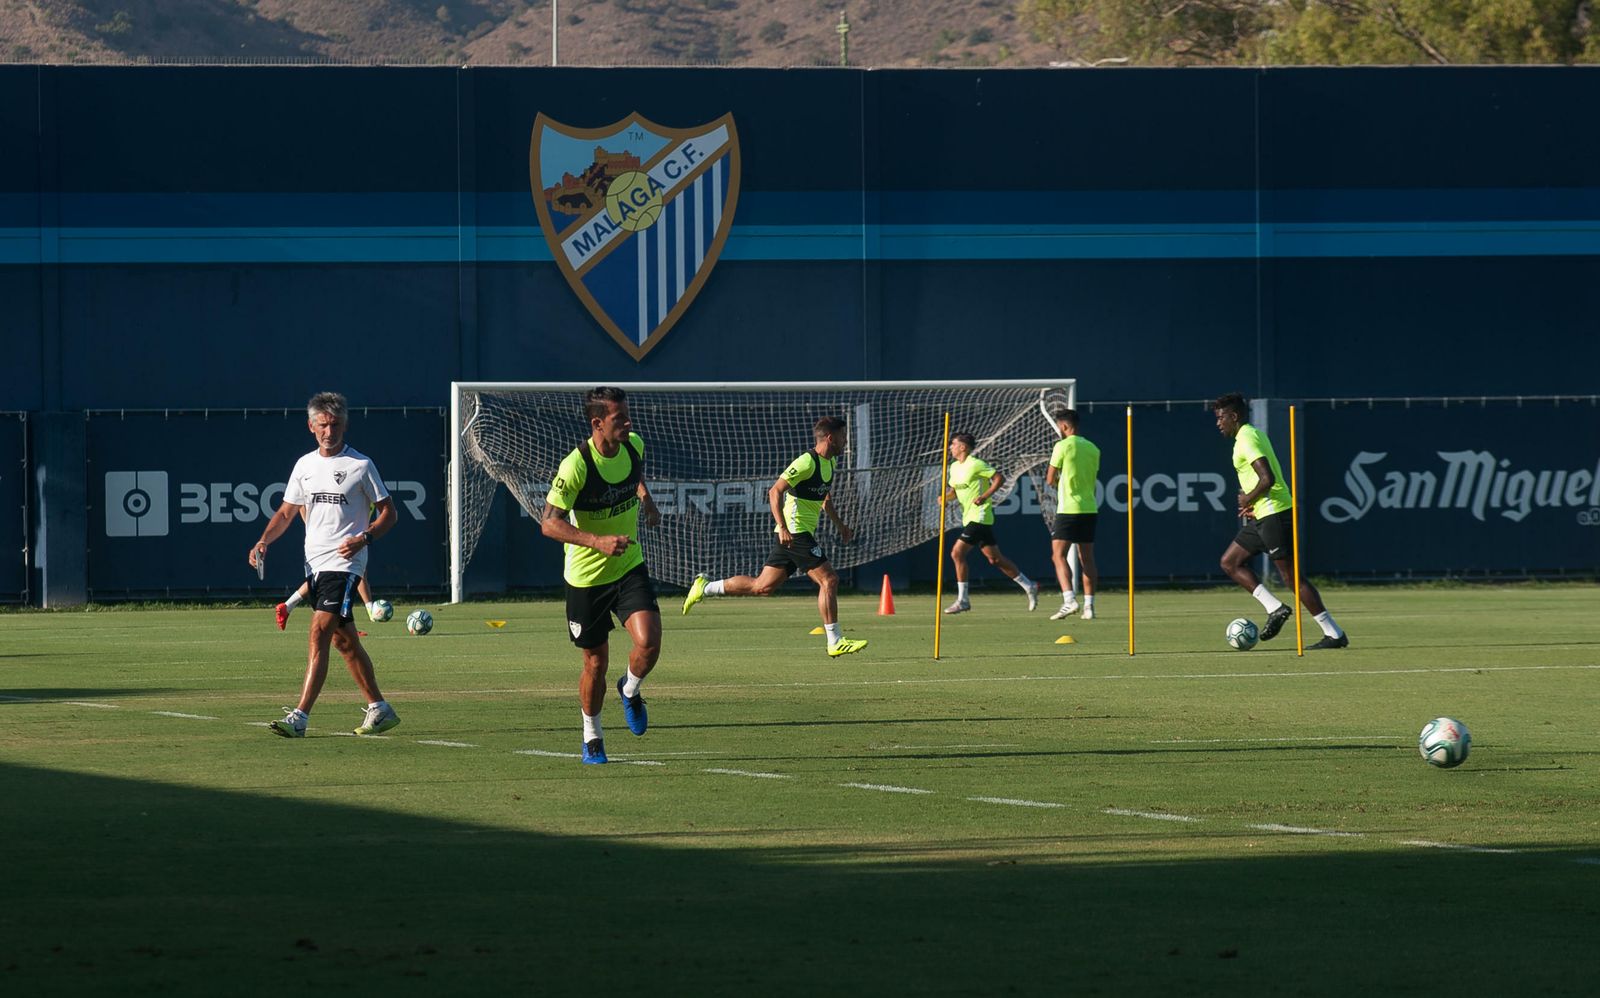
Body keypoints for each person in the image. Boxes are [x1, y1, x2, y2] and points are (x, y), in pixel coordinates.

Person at [248, 392, 400, 737]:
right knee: (344, 642)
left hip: (345, 564)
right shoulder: (304, 466)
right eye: (322, 425)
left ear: (344, 425)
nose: (328, 431)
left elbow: (390, 512)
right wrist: (263, 541)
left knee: (318, 632)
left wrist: (364, 538)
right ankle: (380, 708)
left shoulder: (360, 465)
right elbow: (287, 512)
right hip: (315, 564)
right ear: (311, 426)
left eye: (334, 425)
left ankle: (299, 718)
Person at [541, 386, 663, 765]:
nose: (628, 423)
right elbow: (549, 524)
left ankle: (630, 688)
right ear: (597, 423)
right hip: (586, 579)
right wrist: (597, 541)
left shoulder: (634, 445)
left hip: (628, 566)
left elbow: (634, 476)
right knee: (595, 663)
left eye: (627, 416)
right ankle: (591, 735)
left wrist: (646, 500)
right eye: (619, 419)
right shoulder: (575, 466)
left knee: (649, 644)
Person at [681, 416, 868, 658]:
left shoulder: (829, 463)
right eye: (843, 437)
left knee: (762, 586)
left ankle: (705, 587)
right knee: (829, 580)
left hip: (797, 533)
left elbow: (824, 497)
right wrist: (782, 526)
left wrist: (840, 525)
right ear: (830, 438)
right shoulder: (806, 462)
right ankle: (835, 640)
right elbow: (775, 491)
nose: (845, 441)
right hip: (794, 531)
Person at [1211, 392, 1348, 649]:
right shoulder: (1247, 436)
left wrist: (1246, 498)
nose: (1218, 423)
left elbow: (1267, 478)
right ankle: (1275, 608)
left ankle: (1334, 633)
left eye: (1221, 418)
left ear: (1234, 416)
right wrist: (1253, 504)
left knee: (1291, 577)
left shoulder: (1247, 438)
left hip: (1275, 513)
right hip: (1263, 513)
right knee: (1230, 562)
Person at [939, 432, 1038, 614]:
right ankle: (1029, 585)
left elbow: (999, 478)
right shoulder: (953, 467)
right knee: (995, 559)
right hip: (968, 517)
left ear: (963, 447)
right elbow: (953, 491)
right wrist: (946, 498)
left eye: (953, 444)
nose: (950, 447)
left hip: (981, 515)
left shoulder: (976, 464)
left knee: (956, 553)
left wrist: (984, 496)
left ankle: (963, 600)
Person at [276, 505, 381, 628]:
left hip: (348, 536)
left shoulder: (367, 492)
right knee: (343, 576)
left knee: (330, 578)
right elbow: (301, 502)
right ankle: (348, 624)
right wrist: (311, 527)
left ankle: (288, 606)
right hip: (338, 539)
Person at [1045, 407, 1101, 621]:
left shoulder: (1062, 446)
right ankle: (1089, 607)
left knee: (1057, 555)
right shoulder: (1093, 448)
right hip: (1089, 508)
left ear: (1065, 426)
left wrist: (1061, 483)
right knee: (1086, 558)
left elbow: (1050, 479)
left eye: (1059, 426)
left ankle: (1069, 600)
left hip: (1068, 509)